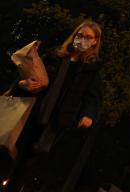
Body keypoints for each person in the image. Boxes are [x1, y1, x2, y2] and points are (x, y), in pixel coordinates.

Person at [5, 21, 103, 192]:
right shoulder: (54, 56)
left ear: (95, 42)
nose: (82, 39)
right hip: (34, 114)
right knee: (12, 155)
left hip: (57, 123)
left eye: (88, 37)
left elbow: (93, 99)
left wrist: (89, 115)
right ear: (74, 36)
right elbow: (28, 77)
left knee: (31, 165)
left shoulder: (92, 70)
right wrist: (21, 84)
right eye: (80, 35)